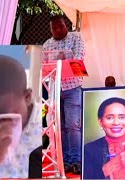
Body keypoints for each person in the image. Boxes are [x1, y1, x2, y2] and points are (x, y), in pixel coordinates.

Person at [42, 15, 85, 174]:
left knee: (73, 125)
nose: (57, 30)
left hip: (73, 88)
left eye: (60, 26)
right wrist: (64, 58)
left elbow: (77, 59)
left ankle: (77, 160)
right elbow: (45, 66)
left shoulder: (76, 37)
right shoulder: (47, 44)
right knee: (60, 128)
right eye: (54, 28)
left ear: (65, 25)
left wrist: (60, 60)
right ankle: (65, 161)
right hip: (55, 90)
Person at [83, 97, 125, 179]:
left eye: (121, 117)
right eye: (109, 118)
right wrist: (107, 169)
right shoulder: (90, 149)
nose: (116, 123)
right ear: (100, 122)